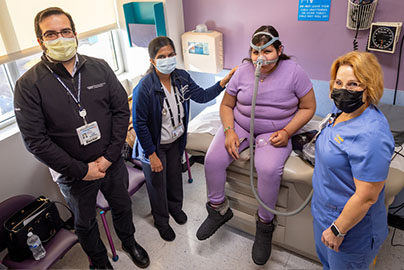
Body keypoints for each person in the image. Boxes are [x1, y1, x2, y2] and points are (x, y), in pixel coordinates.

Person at [13, 7, 149, 269]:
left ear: (75, 34)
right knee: (84, 222)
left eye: (65, 31)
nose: (60, 38)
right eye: (51, 34)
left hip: (111, 162)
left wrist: (109, 157)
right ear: (41, 41)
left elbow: (121, 111)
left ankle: (129, 242)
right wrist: (81, 170)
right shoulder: (28, 84)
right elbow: (35, 140)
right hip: (74, 174)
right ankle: (98, 262)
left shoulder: (99, 68)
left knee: (122, 206)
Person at [196, 25, 316, 265]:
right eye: (255, 52)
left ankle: (264, 224)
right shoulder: (241, 71)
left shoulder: (294, 72)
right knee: (214, 159)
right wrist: (229, 131)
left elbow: (308, 107)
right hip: (240, 125)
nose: (260, 58)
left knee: (269, 169)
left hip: (276, 131)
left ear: (280, 50)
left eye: (268, 51)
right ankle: (218, 209)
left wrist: (287, 131)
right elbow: (226, 105)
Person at [132, 36, 236, 242]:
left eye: (171, 55)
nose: (168, 59)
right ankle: (162, 221)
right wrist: (151, 154)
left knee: (174, 178)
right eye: (162, 57)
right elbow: (139, 124)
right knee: (157, 186)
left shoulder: (181, 78)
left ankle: (175, 208)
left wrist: (224, 82)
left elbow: (203, 96)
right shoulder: (144, 88)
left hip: (176, 142)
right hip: (154, 147)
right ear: (152, 61)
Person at [311, 51, 394, 269]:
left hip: (350, 229)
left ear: (369, 88)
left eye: (354, 84)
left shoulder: (372, 134)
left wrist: (338, 229)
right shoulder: (340, 110)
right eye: (339, 82)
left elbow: (367, 196)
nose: (343, 90)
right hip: (323, 213)